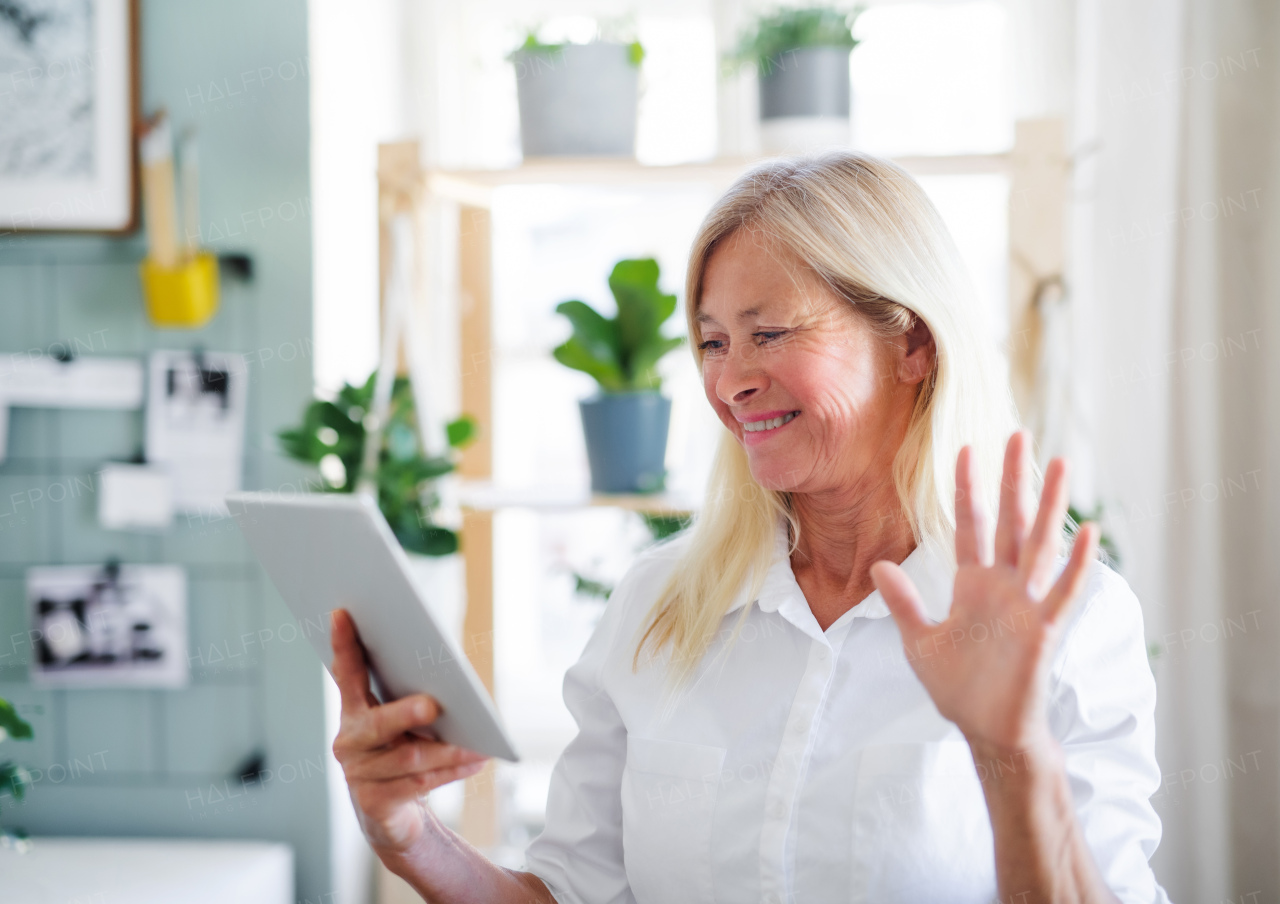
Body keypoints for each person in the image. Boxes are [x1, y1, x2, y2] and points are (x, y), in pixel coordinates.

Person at [329, 152, 1170, 903]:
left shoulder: (1067, 619)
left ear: (911, 344)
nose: (730, 381)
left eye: (769, 334)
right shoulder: (658, 604)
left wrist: (1009, 748)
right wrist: (411, 839)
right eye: (711, 342)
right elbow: (570, 894)